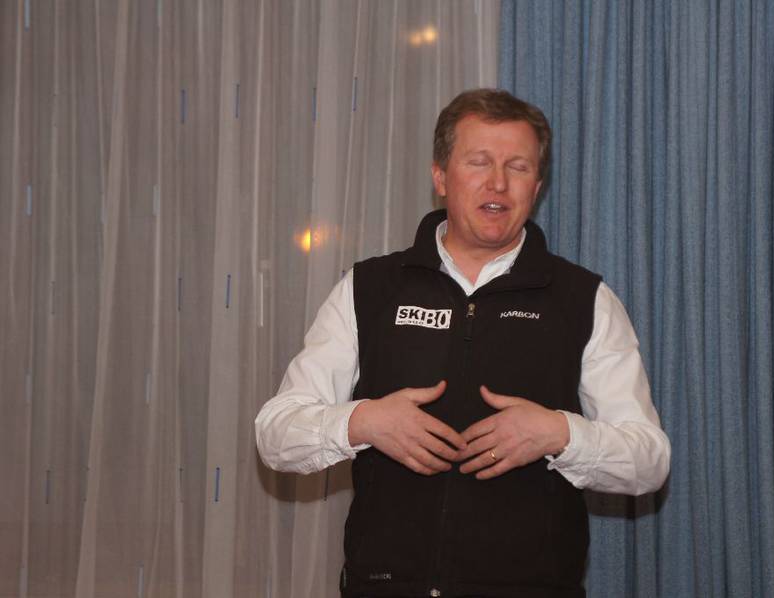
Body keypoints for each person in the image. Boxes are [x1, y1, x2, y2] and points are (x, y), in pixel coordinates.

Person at [255, 89, 670, 598]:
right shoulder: (370, 288)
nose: (498, 182)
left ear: (537, 186)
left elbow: (649, 461)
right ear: (440, 177)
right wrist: (363, 421)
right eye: (479, 162)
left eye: (518, 167)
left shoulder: (585, 299)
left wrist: (559, 433)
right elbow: (275, 434)